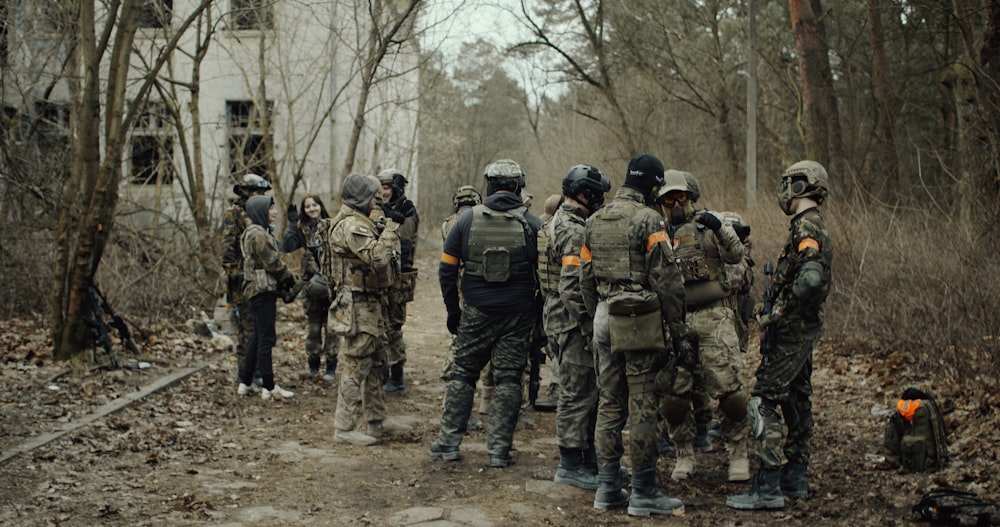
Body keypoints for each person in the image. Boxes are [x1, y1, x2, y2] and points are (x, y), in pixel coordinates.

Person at [579, 153, 691, 516]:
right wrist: (678, 331)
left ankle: (607, 489)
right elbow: (667, 281)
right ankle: (643, 492)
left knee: (609, 405)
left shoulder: (594, 220)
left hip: (603, 316)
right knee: (642, 405)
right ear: (654, 186)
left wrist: (596, 313)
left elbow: (584, 278)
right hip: (638, 320)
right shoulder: (649, 220)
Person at [727, 160, 833, 510]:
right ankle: (795, 476)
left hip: (791, 332)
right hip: (801, 332)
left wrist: (779, 310)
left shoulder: (806, 228)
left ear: (801, 186)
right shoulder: (811, 225)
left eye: (789, 183)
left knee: (763, 401)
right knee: (797, 399)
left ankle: (769, 484)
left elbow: (811, 279)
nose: (784, 190)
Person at [430, 159, 542, 468]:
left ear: (489, 185)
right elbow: (545, 279)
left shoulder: (465, 221)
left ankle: (449, 443)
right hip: (519, 315)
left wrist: (454, 311)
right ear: (519, 187)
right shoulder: (532, 224)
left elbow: (446, 271)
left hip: (476, 311)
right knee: (508, 380)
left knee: (463, 374)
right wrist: (539, 318)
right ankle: (499, 452)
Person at [655, 170, 751, 483]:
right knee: (674, 398)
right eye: (668, 199)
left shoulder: (709, 226)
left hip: (715, 317)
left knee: (729, 391)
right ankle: (684, 453)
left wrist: (721, 229)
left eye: (680, 197)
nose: (675, 204)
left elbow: (737, 255)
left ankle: (738, 454)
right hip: (677, 322)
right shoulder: (659, 234)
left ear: (691, 197)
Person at [320, 173, 411, 446]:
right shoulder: (350, 226)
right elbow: (378, 257)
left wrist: (387, 222)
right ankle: (344, 427)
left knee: (377, 362)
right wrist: (393, 226)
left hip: (372, 301)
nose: (378, 199)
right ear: (361, 196)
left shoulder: (363, 221)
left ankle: (376, 420)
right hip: (357, 303)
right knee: (356, 364)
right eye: (374, 195)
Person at [539, 165, 610, 490]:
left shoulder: (567, 222)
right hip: (571, 320)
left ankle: (588, 460)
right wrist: (589, 324)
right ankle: (570, 463)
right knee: (577, 391)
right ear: (584, 193)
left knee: (587, 391)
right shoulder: (572, 229)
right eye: (597, 193)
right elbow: (571, 286)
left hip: (562, 316)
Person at [237, 195, 298, 401]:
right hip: (262, 291)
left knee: (257, 337)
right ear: (260, 211)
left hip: (258, 292)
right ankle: (269, 386)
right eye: (271, 208)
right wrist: (290, 278)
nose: (274, 212)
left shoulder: (258, 232)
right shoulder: (258, 234)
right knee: (266, 339)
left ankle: (245, 382)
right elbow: (273, 263)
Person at [221, 173, 272, 384]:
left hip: (260, 277)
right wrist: (234, 275)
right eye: (254, 192)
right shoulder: (234, 213)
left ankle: (257, 370)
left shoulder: (259, 210)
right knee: (246, 327)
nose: (258, 195)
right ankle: (246, 373)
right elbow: (227, 248)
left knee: (261, 327)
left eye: (261, 192)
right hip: (242, 279)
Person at [282, 194, 338, 381]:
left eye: (314, 205)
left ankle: (331, 368)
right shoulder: (301, 229)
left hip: (332, 287)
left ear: (320, 206)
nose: (312, 209)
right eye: (307, 207)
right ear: (303, 210)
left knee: (332, 329)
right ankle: (313, 367)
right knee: (314, 329)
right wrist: (291, 224)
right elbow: (287, 246)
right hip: (311, 288)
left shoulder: (332, 226)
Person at [377, 169, 419, 395]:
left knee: (393, 328)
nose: (383, 192)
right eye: (381, 188)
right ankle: (383, 374)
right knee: (380, 327)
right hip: (381, 277)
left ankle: (397, 377)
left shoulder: (407, 211)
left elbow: (401, 246)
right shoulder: (381, 209)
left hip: (399, 277)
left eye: (387, 188)